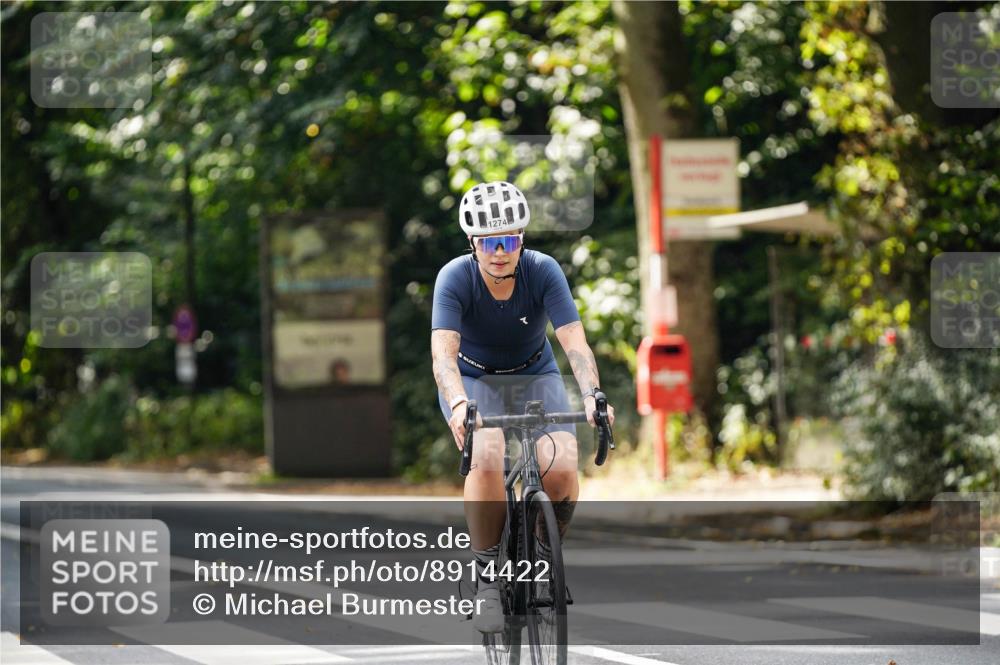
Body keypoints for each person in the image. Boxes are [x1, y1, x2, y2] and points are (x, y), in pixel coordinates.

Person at [430, 181, 615, 633]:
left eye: (509, 239)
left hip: (535, 374)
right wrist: (458, 404)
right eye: (489, 242)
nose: (500, 251)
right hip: (474, 381)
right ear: (473, 243)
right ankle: (488, 579)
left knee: (564, 464)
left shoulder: (543, 270)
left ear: (522, 240)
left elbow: (574, 343)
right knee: (488, 454)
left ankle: (544, 552)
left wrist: (593, 394)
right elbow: (443, 357)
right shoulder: (455, 277)